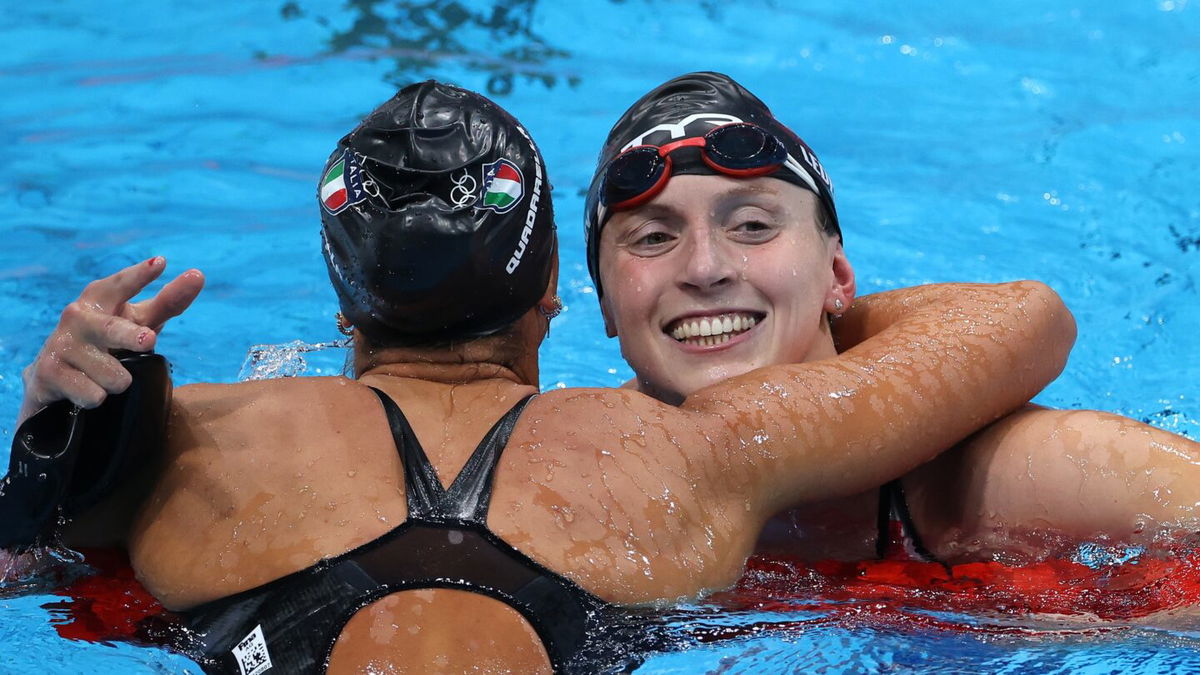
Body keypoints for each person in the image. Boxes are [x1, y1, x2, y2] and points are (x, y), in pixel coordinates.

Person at [3, 81, 1072, 674]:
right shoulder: (701, 448)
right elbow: (1021, 318)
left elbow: (28, 563)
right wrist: (811, 298)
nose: (699, 267)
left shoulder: (188, 438)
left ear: (341, 309)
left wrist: (59, 420)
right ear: (560, 289)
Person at [583, 71, 1200, 565]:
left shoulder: (1013, 479)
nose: (705, 267)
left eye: (752, 226)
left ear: (837, 277)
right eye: (653, 237)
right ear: (606, 305)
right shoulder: (590, 494)